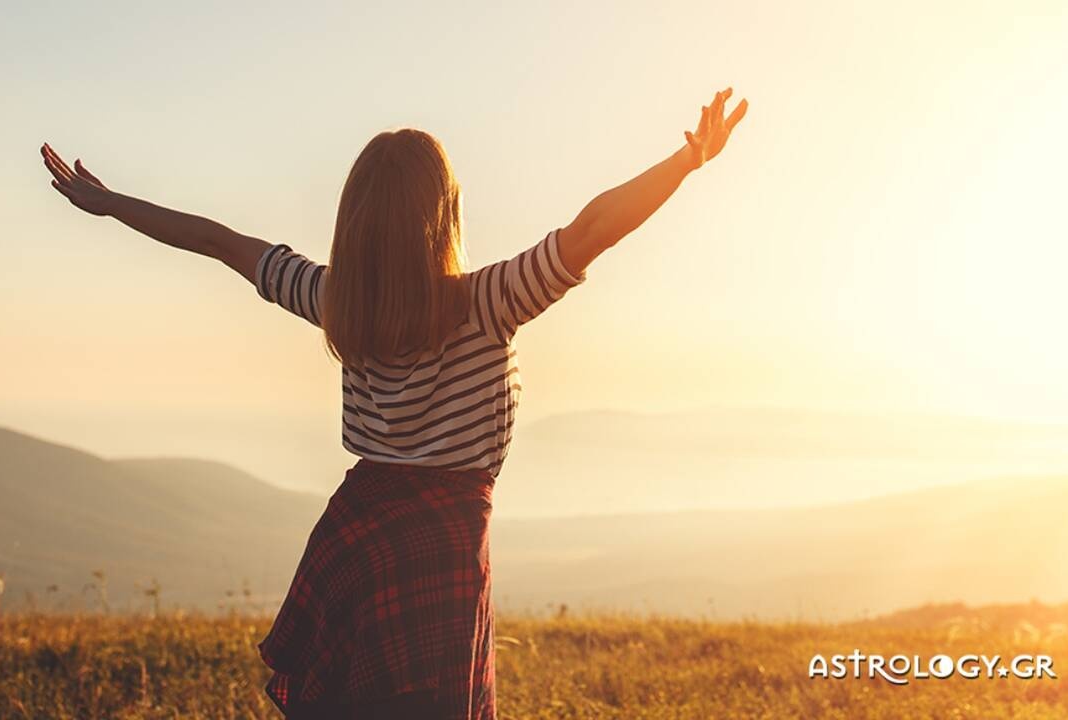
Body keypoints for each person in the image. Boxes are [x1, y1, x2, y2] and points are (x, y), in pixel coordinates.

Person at [40, 86, 747, 720]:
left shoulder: (331, 300)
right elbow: (593, 229)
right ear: (443, 216)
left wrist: (109, 205)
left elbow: (218, 242)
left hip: (355, 538)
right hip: (440, 550)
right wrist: (685, 162)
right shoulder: (488, 303)